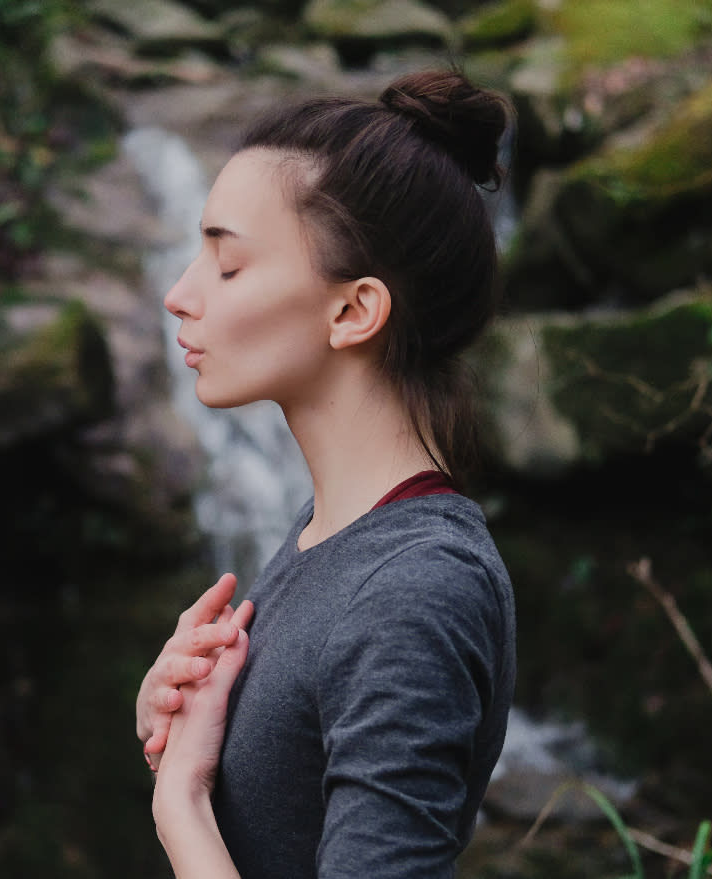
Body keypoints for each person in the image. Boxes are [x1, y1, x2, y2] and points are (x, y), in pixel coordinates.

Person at [135, 68, 517, 879]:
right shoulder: (333, 534)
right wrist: (188, 734)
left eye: (228, 267)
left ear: (354, 311)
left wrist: (181, 808)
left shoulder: (415, 589)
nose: (178, 296)